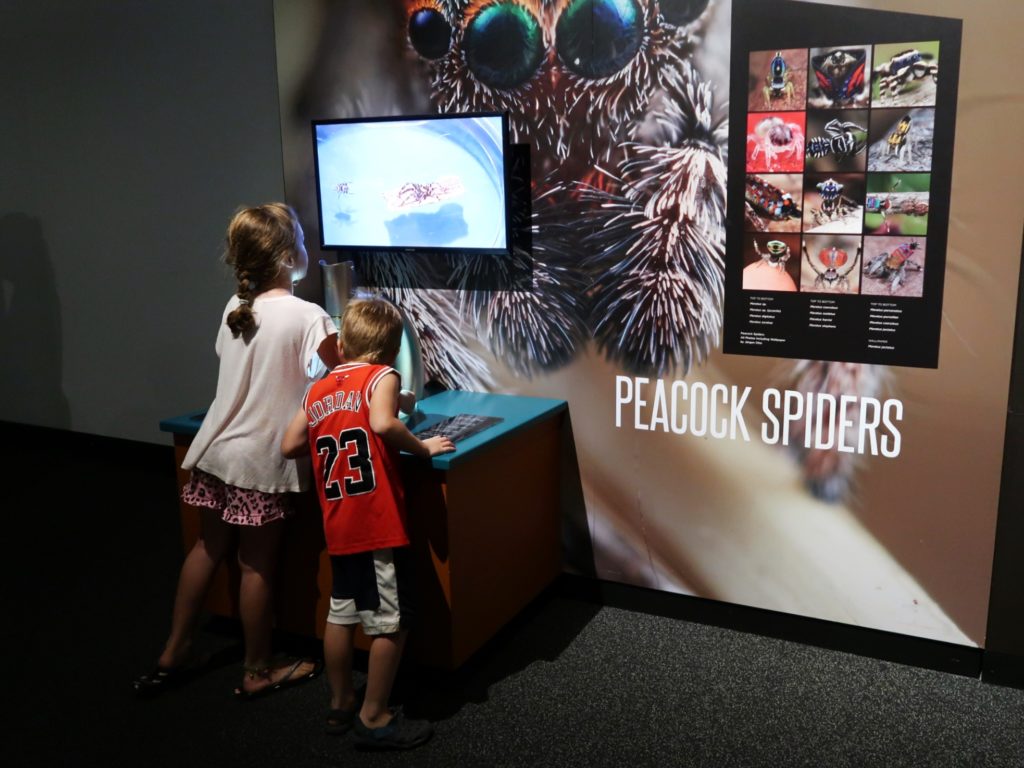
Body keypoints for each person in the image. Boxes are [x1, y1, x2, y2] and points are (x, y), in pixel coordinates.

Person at [134, 203, 340, 698]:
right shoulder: (309, 315)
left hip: (217, 453)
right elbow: (343, 376)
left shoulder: (235, 306)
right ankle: (256, 669)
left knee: (207, 548)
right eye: (303, 241)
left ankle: (174, 650)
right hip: (259, 463)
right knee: (256, 565)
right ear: (289, 255)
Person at [281, 298, 455, 750]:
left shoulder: (319, 388)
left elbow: (289, 444)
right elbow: (381, 422)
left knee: (342, 615)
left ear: (340, 344)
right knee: (392, 622)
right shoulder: (383, 376)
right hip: (376, 523)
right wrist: (421, 447)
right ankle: (375, 716)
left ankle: (340, 702)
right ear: (394, 349)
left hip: (337, 522)